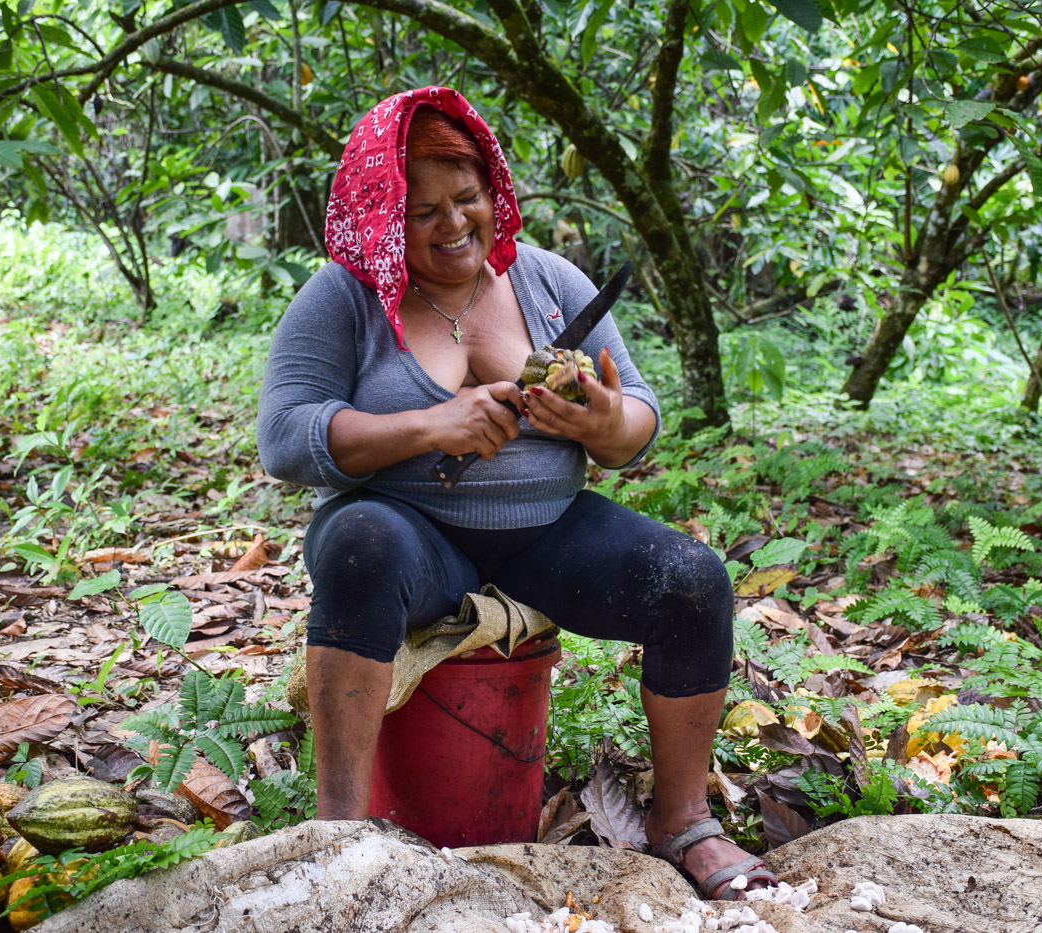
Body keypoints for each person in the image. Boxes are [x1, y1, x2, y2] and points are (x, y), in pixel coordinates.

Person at [257, 86, 777, 900]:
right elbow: (286, 437)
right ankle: (339, 837)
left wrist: (599, 421)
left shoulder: (548, 282)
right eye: (422, 210)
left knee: (693, 578)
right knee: (361, 543)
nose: (453, 224)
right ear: (383, 215)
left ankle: (684, 823)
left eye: (467, 199)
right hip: (407, 530)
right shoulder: (345, 296)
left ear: (495, 193)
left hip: (545, 532)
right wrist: (433, 426)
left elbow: (640, 421)